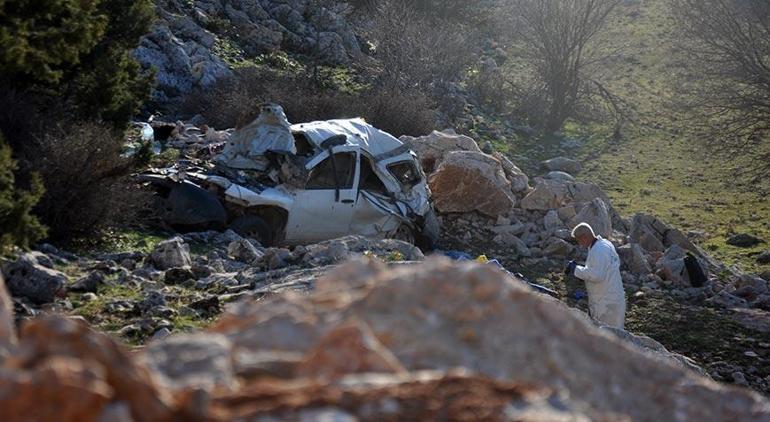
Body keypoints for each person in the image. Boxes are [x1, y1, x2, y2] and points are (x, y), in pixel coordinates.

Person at [564, 223, 626, 329]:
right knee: (614, 333)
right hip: (611, 297)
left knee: (609, 335)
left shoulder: (599, 250)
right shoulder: (604, 244)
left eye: (579, 240)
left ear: (584, 236)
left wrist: (575, 269)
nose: (579, 244)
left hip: (607, 303)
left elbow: (596, 275)